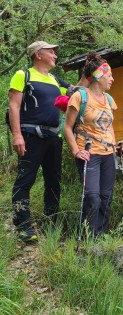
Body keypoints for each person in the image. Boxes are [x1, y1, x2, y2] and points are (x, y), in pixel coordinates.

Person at [8, 41, 75, 241]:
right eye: (51, 51)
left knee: (54, 181)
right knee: (25, 180)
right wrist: (17, 135)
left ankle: (51, 222)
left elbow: (76, 90)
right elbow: (14, 106)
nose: (55, 55)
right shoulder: (23, 75)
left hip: (54, 137)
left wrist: (92, 71)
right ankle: (23, 226)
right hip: (30, 135)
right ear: (38, 54)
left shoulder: (55, 79)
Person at [64, 52, 123, 236]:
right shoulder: (80, 97)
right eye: (109, 76)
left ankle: (101, 237)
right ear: (98, 76)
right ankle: (87, 237)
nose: (112, 79)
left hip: (107, 154)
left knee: (106, 198)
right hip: (88, 153)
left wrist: (116, 147)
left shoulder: (109, 99)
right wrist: (76, 151)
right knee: (92, 197)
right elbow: (67, 127)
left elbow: (109, 127)